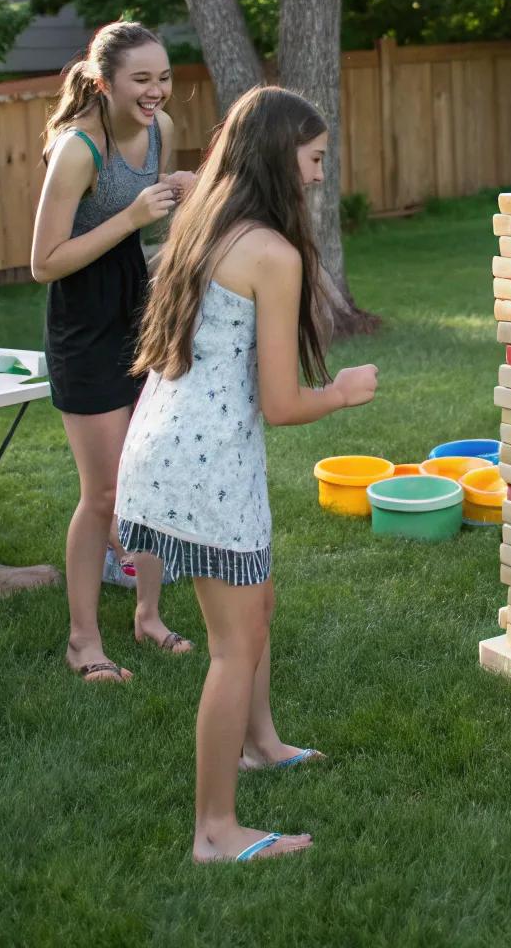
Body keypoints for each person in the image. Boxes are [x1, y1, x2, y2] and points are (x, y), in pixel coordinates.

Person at [116, 87, 378, 864]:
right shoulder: (271, 251)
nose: (322, 177)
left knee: (255, 605)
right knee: (233, 645)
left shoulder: (208, 221)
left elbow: (199, 179)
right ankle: (214, 831)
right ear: (278, 158)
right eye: (315, 160)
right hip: (208, 465)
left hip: (165, 445)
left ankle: (261, 743)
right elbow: (283, 403)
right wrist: (342, 393)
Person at [32, 22, 196, 685]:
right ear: (105, 83)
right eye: (141, 79)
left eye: (163, 77)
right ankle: (82, 641)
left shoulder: (159, 131)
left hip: (137, 310)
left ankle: (148, 617)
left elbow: (152, 231)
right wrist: (131, 218)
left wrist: (182, 198)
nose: (156, 91)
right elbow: (42, 262)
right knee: (103, 494)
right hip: (82, 324)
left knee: (149, 481)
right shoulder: (77, 150)